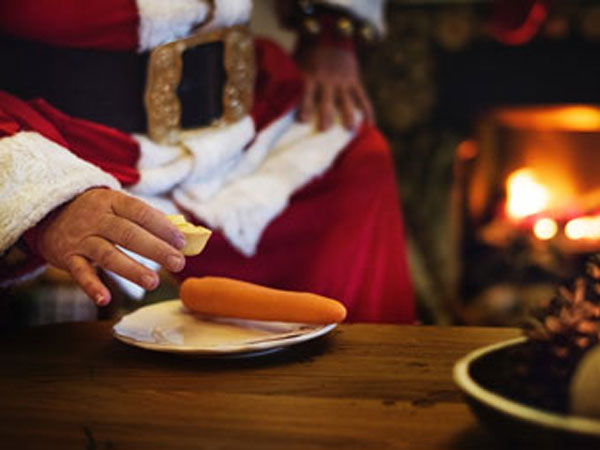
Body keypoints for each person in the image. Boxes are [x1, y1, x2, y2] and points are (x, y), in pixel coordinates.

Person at [0, 0, 414, 323]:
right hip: (56, 140)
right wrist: (40, 197)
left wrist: (330, 27)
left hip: (240, 123)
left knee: (358, 165)